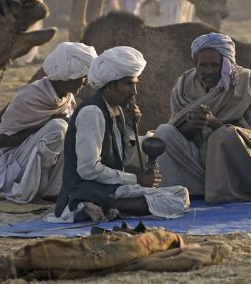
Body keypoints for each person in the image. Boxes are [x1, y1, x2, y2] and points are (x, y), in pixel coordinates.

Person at [53, 46, 189, 223]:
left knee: (180, 194)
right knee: (171, 202)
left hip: (108, 186)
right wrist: (136, 180)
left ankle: (105, 206)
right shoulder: (92, 112)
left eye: (135, 85)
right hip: (85, 188)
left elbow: (122, 162)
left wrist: (130, 129)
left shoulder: (116, 111)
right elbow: (87, 169)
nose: (134, 92)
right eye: (128, 84)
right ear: (109, 86)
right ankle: (98, 205)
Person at [155, 32, 251, 205]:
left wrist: (213, 122)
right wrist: (191, 125)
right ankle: (191, 189)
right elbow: (176, 129)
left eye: (215, 65)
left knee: (223, 135)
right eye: (203, 65)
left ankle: (223, 190)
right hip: (195, 159)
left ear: (227, 63)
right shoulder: (183, 85)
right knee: (163, 131)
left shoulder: (247, 83)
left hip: (231, 165)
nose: (209, 71)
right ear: (195, 64)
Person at [0, 42, 95, 203]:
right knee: (57, 128)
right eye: (83, 76)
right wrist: (44, 126)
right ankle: (29, 189)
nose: (85, 82)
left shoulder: (68, 99)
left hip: (38, 167)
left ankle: (53, 190)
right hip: (13, 166)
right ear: (69, 75)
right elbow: (2, 141)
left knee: (75, 130)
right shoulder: (30, 96)